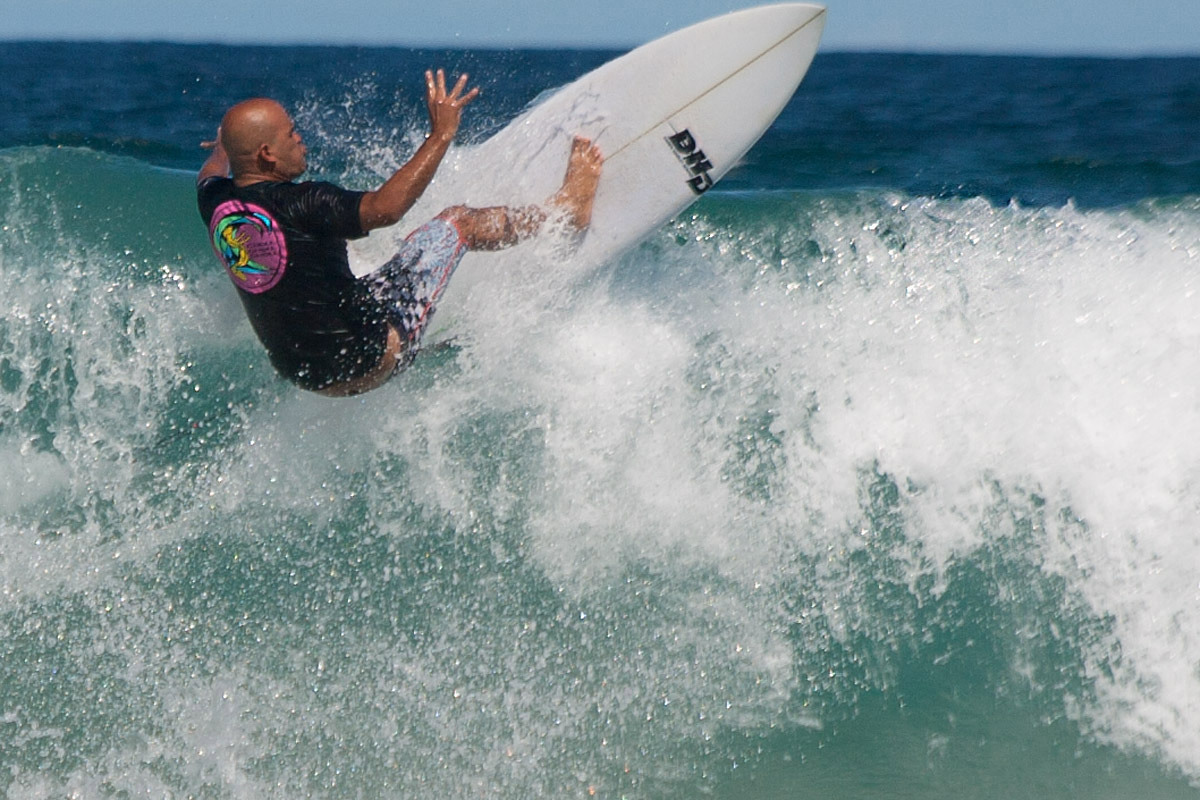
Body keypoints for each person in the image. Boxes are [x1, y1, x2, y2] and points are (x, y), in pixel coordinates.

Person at [197, 69, 602, 396]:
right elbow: (386, 208)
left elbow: (211, 171)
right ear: (267, 155)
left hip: (306, 375)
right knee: (456, 223)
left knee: (405, 255)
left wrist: (222, 148)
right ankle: (565, 212)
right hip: (369, 360)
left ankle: (414, 337)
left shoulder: (214, 202)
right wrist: (442, 133)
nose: (299, 136)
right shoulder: (306, 203)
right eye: (290, 133)